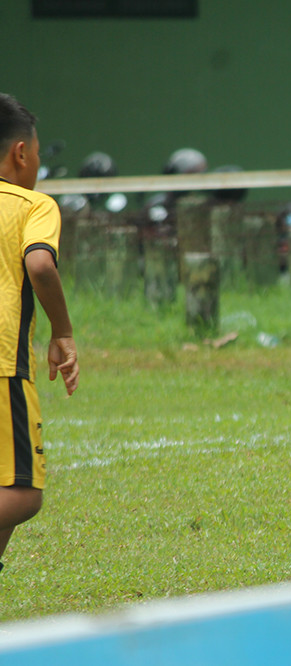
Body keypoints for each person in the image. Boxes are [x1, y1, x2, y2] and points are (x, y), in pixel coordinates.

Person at [0, 93, 79, 574]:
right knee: (23, 494)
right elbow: (39, 263)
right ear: (21, 153)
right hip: (4, 365)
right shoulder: (33, 205)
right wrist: (63, 331)